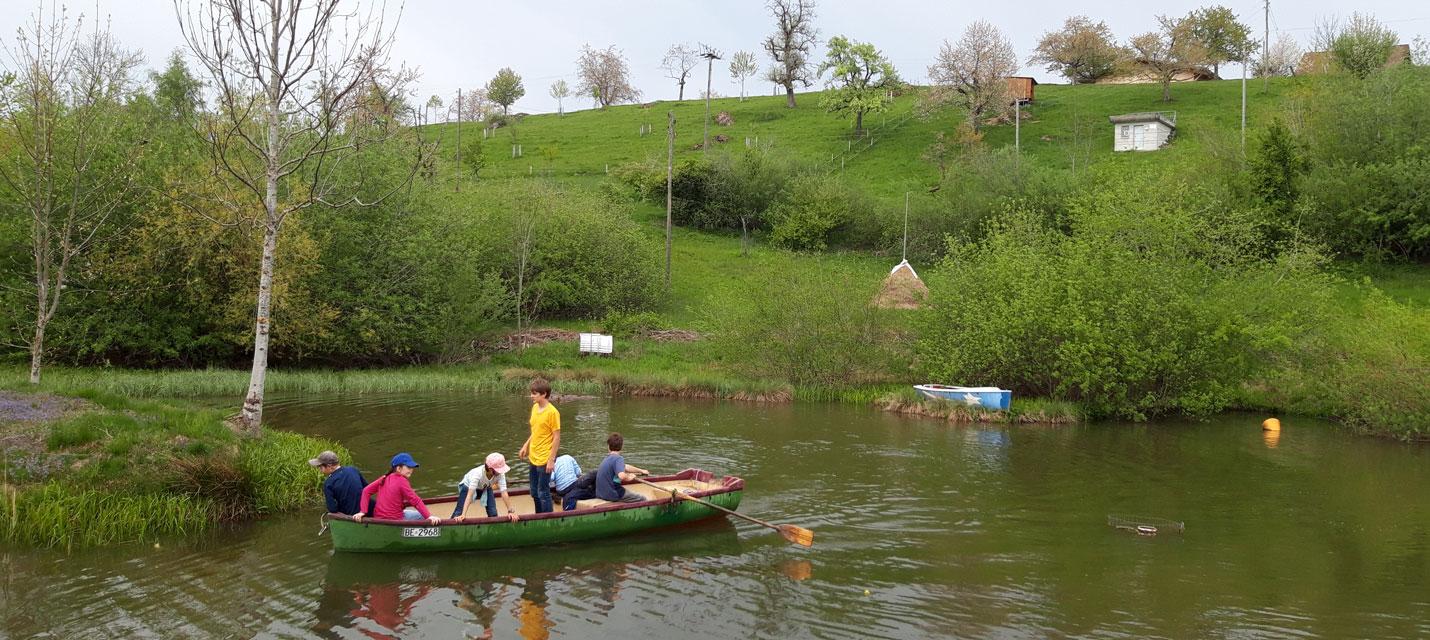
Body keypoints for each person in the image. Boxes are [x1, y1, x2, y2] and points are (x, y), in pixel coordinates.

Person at [353, 452, 442, 524]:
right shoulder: (402, 481)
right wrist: (429, 517)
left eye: (412, 467)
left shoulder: (384, 477)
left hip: (378, 518)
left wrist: (363, 511)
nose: (411, 469)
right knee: (422, 516)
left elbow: (366, 491)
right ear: (398, 468)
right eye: (408, 467)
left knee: (408, 512)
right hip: (395, 520)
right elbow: (415, 500)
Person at [517, 378, 561, 513]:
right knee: (534, 492)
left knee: (543, 492)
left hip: (544, 458)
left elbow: (557, 437)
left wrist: (551, 460)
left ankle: (548, 520)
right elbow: (535, 431)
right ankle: (538, 516)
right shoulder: (535, 407)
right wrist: (526, 445)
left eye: (534, 393)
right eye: (532, 393)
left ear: (544, 394)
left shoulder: (552, 413)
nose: (531, 396)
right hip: (533, 456)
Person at [454, 452, 521, 522]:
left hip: (485, 487)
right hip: (467, 486)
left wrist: (511, 511)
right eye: (498, 470)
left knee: (493, 513)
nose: (501, 472)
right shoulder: (477, 474)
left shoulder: (500, 474)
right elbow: (469, 495)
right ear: (490, 469)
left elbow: (504, 493)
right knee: (459, 513)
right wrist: (463, 514)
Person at [595, 432, 650, 503]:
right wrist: (630, 477)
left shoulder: (607, 458)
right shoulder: (618, 458)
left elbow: (625, 467)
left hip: (600, 493)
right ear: (622, 446)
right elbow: (621, 476)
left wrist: (641, 471)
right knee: (643, 499)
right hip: (612, 494)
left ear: (608, 446)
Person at [309, 450, 366, 515]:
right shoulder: (353, 469)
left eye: (320, 467)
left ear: (329, 466)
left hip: (352, 514)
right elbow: (366, 488)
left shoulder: (328, 483)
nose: (319, 469)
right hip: (367, 508)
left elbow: (332, 509)